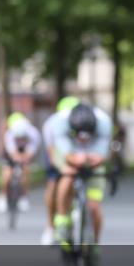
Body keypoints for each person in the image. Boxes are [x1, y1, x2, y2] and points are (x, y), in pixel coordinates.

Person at [52, 102, 113, 248]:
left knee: (93, 208)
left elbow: (101, 157)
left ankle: (95, 244)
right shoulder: (60, 123)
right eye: (79, 136)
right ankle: (61, 221)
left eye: (87, 136)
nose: (83, 140)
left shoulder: (104, 123)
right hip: (69, 155)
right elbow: (64, 154)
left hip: (93, 160)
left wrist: (95, 160)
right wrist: (71, 161)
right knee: (67, 177)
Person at [39, 96, 79, 245]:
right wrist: (62, 167)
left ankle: (77, 208)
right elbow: (51, 151)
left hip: (77, 152)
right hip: (57, 153)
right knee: (53, 184)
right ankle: (50, 227)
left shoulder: (83, 119)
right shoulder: (51, 124)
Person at [0, 112, 41, 213]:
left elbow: (31, 152)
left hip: (26, 150)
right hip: (12, 152)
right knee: (6, 175)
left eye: (22, 138)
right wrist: (16, 158)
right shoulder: (9, 134)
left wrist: (24, 159)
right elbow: (12, 153)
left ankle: (24, 196)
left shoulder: (34, 134)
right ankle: (3, 195)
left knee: (25, 171)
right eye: (18, 138)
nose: (20, 139)